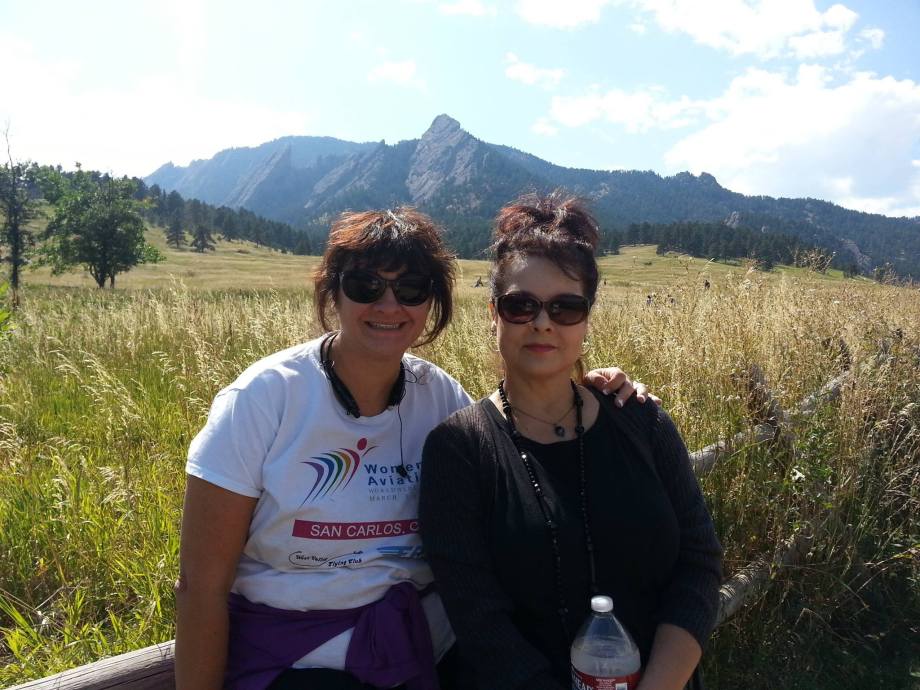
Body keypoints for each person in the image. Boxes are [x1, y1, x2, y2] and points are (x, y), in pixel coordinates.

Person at [174, 207, 654, 690]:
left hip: (426, 655)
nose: (388, 306)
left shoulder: (439, 397)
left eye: (410, 290)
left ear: (432, 302)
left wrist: (595, 388)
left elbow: (518, 451)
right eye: (365, 286)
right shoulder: (263, 399)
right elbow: (200, 586)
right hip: (297, 664)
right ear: (332, 291)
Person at [419, 194, 723, 690]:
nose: (543, 323)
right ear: (493, 315)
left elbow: (698, 564)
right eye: (522, 305)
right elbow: (480, 623)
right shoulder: (459, 450)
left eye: (565, 307)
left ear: (586, 318)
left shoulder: (641, 421)